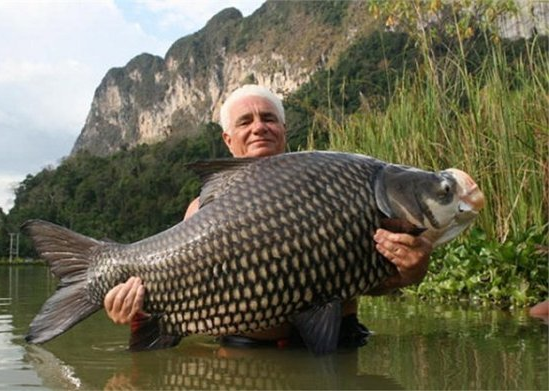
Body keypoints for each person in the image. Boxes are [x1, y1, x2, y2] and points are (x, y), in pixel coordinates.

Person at [103, 84, 433, 347]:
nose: (259, 127)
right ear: (228, 139)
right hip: (244, 348)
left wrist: (410, 272)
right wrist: (134, 308)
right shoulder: (202, 211)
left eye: (269, 118)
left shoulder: (337, 185)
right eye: (245, 121)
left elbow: (366, 280)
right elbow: (181, 301)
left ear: (283, 129)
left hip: (337, 342)